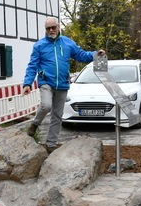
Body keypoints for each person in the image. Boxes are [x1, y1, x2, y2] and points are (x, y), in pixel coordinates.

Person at [23, 16, 105, 153]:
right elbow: (32, 66)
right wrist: (27, 83)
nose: (51, 30)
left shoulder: (68, 43)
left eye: (53, 27)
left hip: (62, 83)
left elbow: (81, 55)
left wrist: (95, 54)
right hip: (46, 82)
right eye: (48, 28)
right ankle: (35, 124)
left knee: (57, 115)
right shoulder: (39, 45)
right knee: (46, 105)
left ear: (58, 27)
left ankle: (51, 144)